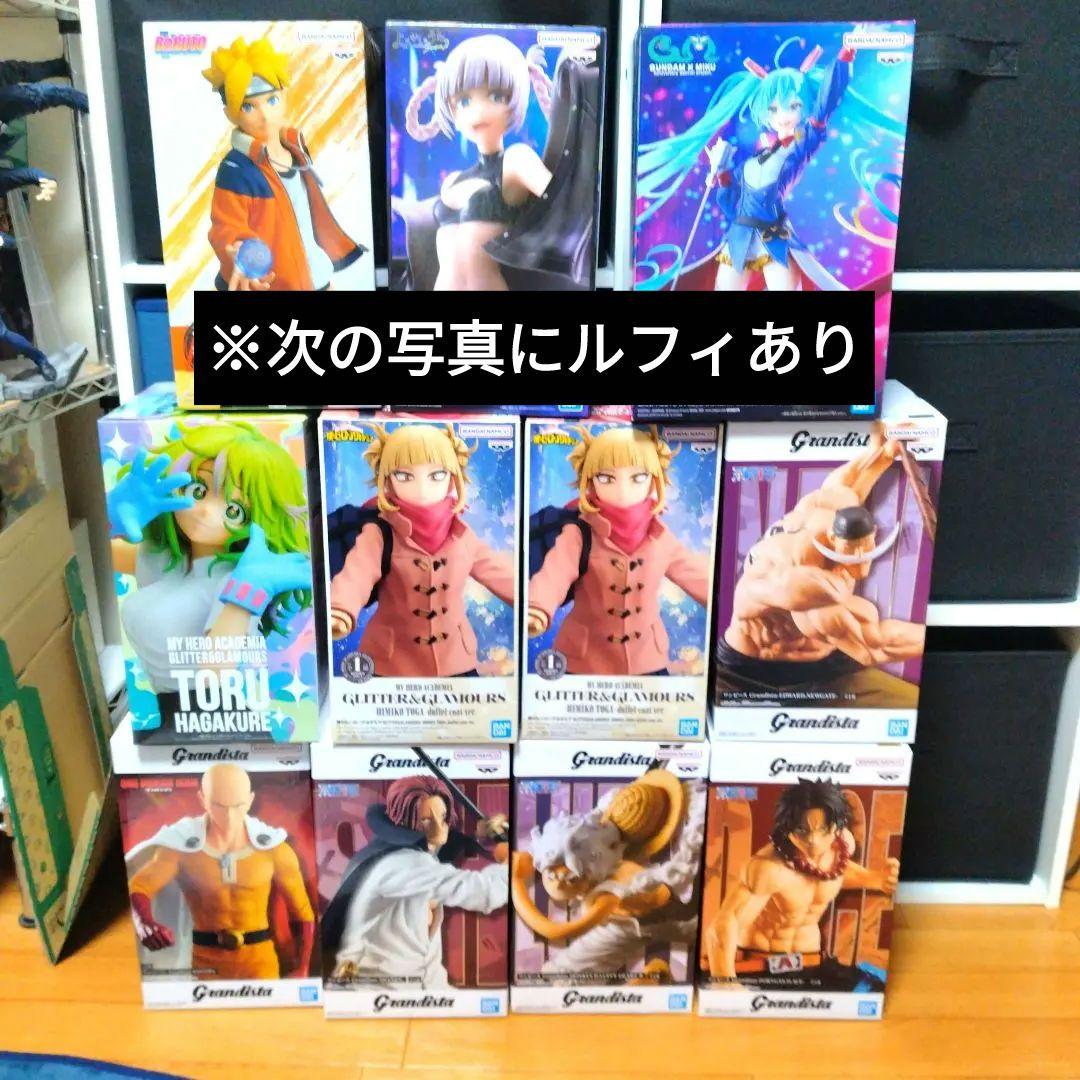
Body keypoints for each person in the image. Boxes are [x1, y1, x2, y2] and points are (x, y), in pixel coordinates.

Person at [107, 420, 312, 727]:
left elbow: (214, 676)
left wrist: (248, 591)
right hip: (162, 718)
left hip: (220, 720)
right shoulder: (167, 559)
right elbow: (98, 552)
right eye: (197, 490)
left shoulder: (235, 579)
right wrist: (111, 516)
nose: (205, 511)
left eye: (234, 510)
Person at [717, 422, 924, 696]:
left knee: (904, 698)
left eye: (866, 550)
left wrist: (884, 452)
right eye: (853, 553)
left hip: (831, 665)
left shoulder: (824, 511)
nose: (860, 563)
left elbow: (848, 483)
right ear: (834, 541)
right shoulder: (792, 578)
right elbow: (875, 645)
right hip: (746, 672)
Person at [395, 34, 600, 290]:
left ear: (515, 98)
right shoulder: (452, 181)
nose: (478, 110)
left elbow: (567, 204)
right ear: (451, 108)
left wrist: (575, 65)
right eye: (464, 101)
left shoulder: (516, 161)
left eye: (495, 96)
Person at [328, 423, 514, 677]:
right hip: (392, 663)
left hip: (455, 660)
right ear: (387, 480)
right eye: (404, 476)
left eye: (437, 475)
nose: (422, 489)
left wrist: (532, 603)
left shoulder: (461, 534)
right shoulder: (379, 532)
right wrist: (340, 609)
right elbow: (357, 573)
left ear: (453, 477)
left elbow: (498, 571)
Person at [528, 425, 709, 676]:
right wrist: (537, 607)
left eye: (638, 477)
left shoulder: (660, 536)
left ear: (654, 479)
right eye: (606, 478)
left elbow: (695, 576)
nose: (623, 490)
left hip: (647, 659)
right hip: (585, 661)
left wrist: (733, 604)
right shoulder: (579, 532)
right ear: (589, 480)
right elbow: (555, 573)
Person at [201, 36, 365, 292]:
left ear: (284, 97)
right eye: (248, 107)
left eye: (272, 100)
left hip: (317, 276)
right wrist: (239, 253)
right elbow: (226, 227)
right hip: (273, 283)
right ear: (230, 113)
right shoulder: (236, 169)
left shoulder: (295, 147)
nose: (265, 115)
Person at [703, 778, 898, 991]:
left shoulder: (841, 847)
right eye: (801, 830)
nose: (813, 839)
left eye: (823, 829)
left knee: (871, 986)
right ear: (787, 828)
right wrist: (724, 980)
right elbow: (725, 923)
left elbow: (834, 872)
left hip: (812, 962)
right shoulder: (768, 868)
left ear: (837, 826)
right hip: (761, 966)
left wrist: (876, 879)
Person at [125, 762, 315, 980]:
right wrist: (143, 921)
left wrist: (303, 968)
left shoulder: (275, 849)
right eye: (219, 805)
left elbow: (303, 913)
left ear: (250, 800)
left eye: (238, 805)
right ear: (202, 799)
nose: (229, 815)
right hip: (204, 962)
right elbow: (140, 886)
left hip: (259, 962)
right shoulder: (181, 846)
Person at [511, 769, 705, 980]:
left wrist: (517, 882)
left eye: (570, 879)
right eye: (549, 874)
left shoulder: (609, 892)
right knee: (565, 974)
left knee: (566, 974)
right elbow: (558, 846)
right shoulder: (596, 841)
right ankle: (656, 976)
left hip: (665, 923)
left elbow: (557, 931)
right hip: (627, 923)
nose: (555, 883)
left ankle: (656, 978)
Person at [322, 774, 508, 988]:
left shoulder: (391, 852)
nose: (439, 828)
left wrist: (482, 835)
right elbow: (483, 893)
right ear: (404, 821)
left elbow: (443, 846)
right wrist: (511, 865)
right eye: (425, 820)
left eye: (443, 817)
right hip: (375, 990)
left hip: (414, 986)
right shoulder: (404, 863)